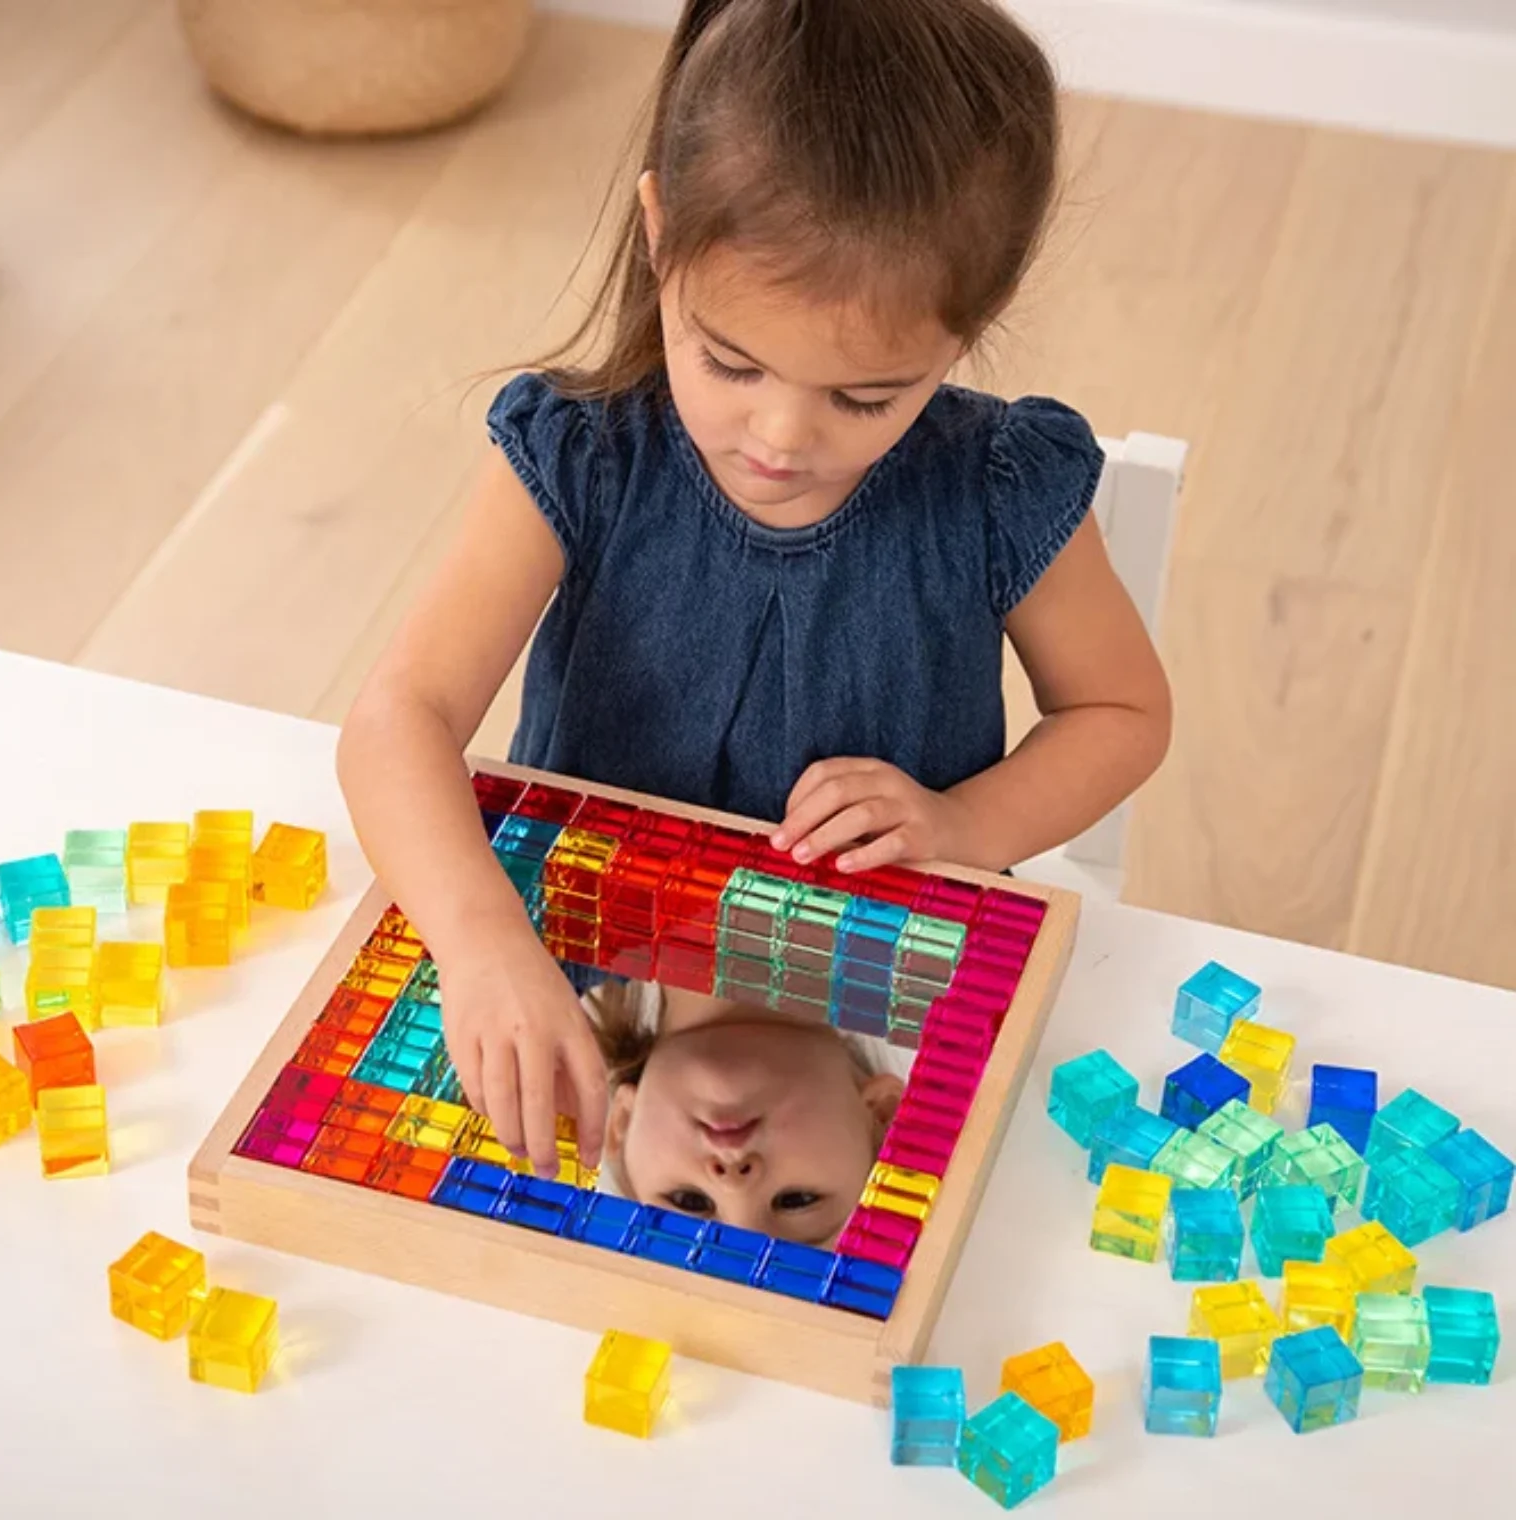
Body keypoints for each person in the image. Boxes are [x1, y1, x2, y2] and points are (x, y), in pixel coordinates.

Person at [337, 0, 1171, 1183]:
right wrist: (478, 941)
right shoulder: (585, 451)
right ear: (657, 231)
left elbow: (1122, 711)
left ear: (965, 330)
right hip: (571, 926)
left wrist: (967, 825)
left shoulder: (991, 485)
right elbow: (394, 721)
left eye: (866, 397)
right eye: (729, 362)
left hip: (871, 951)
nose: (779, 437)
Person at [588, 981, 903, 1244]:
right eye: (795, 1200)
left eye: (690, 1201)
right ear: (881, 1115)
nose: (734, 1183)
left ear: (623, 1124)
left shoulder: (550, 963)